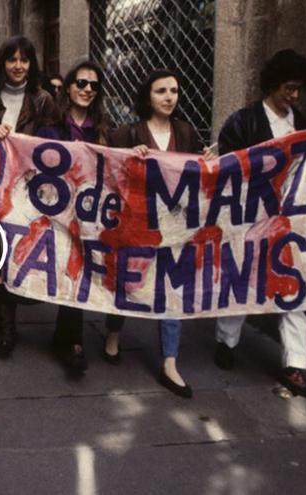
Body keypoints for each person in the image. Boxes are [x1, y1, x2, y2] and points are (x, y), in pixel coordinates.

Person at [214, 49, 306, 399]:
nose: (294, 95)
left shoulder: (303, 123)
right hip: (249, 218)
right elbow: (227, 168)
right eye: (289, 88)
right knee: (242, 282)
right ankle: (226, 342)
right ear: (273, 85)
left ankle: (295, 366)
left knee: (294, 287)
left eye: (299, 89)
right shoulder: (242, 122)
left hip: (291, 222)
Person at [106, 69, 216, 397]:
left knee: (171, 288)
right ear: (147, 96)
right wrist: (128, 158)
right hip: (137, 223)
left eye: (174, 91)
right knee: (127, 281)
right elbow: (112, 174)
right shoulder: (127, 133)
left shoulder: (186, 132)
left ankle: (170, 361)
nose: (169, 97)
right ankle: (113, 331)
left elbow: (195, 177)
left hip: (173, 226)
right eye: (161, 91)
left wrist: (207, 161)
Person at [0, 36, 56, 356]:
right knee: (0, 252)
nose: (18, 66)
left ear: (32, 64)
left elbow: (52, 143)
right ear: (2, 63)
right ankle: (6, 327)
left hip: (32, 190)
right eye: (11, 60)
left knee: (29, 249)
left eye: (24, 60)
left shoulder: (44, 99)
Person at [36, 60, 114, 374]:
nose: (87, 90)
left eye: (94, 86)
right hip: (57, 212)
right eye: (81, 83)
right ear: (68, 87)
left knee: (79, 272)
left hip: (90, 213)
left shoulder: (104, 130)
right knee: (68, 270)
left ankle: (68, 338)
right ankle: (72, 341)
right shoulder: (50, 128)